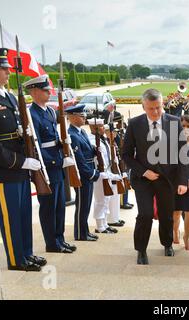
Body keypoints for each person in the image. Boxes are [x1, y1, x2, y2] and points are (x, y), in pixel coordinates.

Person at [0, 48, 45, 271]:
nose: (8, 71)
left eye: (7, 67)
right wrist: (21, 161)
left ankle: (27, 253)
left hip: (21, 168)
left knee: (24, 214)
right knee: (11, 217)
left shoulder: (10, 97)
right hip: (6, 169)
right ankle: (16, 260)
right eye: (2, 68)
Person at [123, 89, 189, 265]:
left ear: (163, 104)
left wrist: (182, 181)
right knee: (144, 214)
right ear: (143, 106)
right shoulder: (134, 124)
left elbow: (183, 154)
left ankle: (167, 244)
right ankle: (141, 250)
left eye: (158, 108)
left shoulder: (175, 122)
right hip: (143, 179)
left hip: (167, 179)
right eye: (151, 108)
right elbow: (127, 155)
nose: (155, 112)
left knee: (167, 215)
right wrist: (144, 172)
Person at [25, 75, 76, 254]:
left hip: (58, 164)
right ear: (34, 92)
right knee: (49, 208)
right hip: (48, 167)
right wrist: (58, 160)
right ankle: (52, 243)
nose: (49, 93)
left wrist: (64, 145)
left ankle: (60, 239)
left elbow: (54, 137)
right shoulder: (32, 114)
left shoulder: (50, 112)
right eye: (45, 90)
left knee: (60, 205)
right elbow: (35, 147)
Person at [67, 104, 105, 242]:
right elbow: (79, 160)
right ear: (71, 117)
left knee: (86, 205)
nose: (84, 117)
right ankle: (80, 234)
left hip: (88, 172)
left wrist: (95, 150)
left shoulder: (81, 132)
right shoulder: (72, 135)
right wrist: (91, 174)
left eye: (83, 115)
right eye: (80, 115)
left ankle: (85, 231)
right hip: (82, 175)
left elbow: (87, 151)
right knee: (82, 205)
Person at [87, 118, 121, 234]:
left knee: (107, 199)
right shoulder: (91, 140)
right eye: (101, 126)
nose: (103, 128)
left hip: (107, 173)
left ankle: (105, 223)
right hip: (99, 174)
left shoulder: (104, 139)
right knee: (100, 200)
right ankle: (99, 225)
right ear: (93, 128)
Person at [173, 115, 189, 250]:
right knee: (176, 212)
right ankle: (175, 232)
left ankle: (186, 237)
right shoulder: (173, 143)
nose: (185, 129)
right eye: (183, 126)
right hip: (177, 182)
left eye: (188, 126)